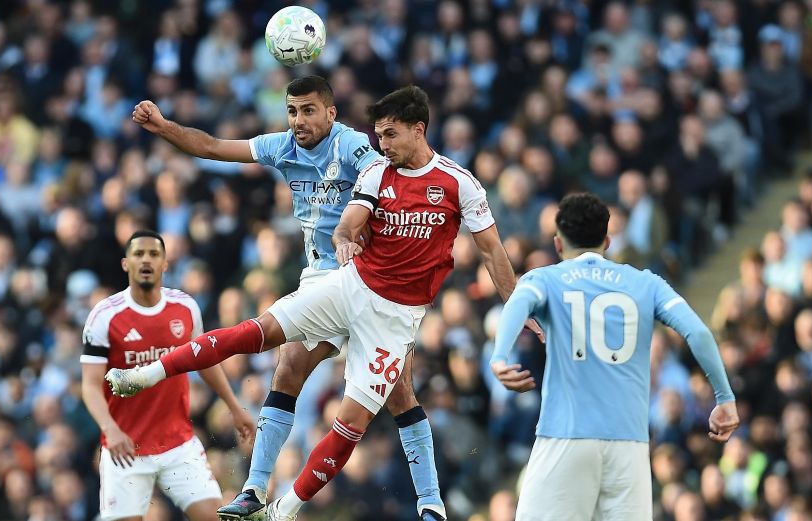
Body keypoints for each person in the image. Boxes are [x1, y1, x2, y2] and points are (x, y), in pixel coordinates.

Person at [111, 85, 523, 521]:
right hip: (334, 277)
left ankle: (427, 502)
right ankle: (254, 488)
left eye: (308, 111)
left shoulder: (362, 151)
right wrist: (164, 128)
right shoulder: (287, 147)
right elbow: (213, 147)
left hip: (385, 293)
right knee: (286, 363)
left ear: (331, 113)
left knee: (397, 394)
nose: (298, 120)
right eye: (292, 111)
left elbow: (391, 181)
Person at [489, 193, 740, 520]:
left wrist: (499, 356)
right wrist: (724, 397)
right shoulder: (647, 283)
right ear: (607, 240)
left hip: (566, 436)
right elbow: (700, 333)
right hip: (630, 446)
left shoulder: (545, 279)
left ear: (557, 244)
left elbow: (518, 302)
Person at [81, 230, 256, 521]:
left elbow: (205, 361)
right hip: (126, 448)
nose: (146, 260)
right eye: (139, 254)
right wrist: (110, 429)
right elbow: (89, 385)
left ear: (165, 263)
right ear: (126, 263)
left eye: (154, 254)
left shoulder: (185, 307)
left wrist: (235, 407)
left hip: (178, 444)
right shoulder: (105, 316)